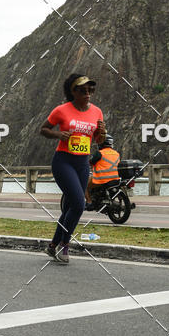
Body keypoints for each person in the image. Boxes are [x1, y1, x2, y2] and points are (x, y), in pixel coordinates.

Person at [40, 74, 106, 263]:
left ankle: (52, 246)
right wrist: (59, 135)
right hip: (64, 162)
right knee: (79, 203)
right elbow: (43, 129)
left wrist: (101, 133)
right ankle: (64, 245)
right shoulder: (61, 110)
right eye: (83, 90)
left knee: (69, 208)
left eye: (90, 90)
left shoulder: (97, 112)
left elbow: (98, 140)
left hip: (82, 163)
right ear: (73, 92)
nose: (88, 94)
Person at [85, 135, 120, 206]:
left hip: (101, 179)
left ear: (101, 143)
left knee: (83, 184)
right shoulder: (116, 154)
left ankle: (89, 202)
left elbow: (91, 162)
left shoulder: (100, 153)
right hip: (115, 179)